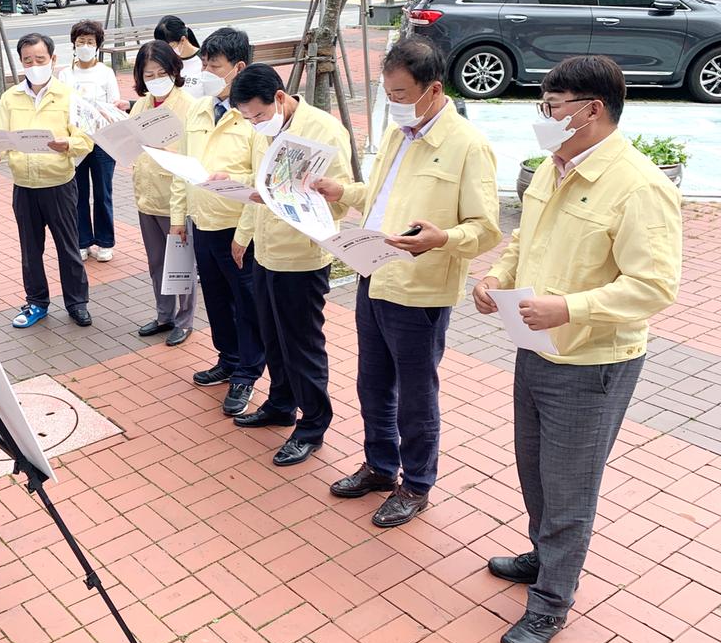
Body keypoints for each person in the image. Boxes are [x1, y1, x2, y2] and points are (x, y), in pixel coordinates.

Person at [472, 56, 681, 643]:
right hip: (535, 346)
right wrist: (497, 278)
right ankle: (544, 554)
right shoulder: (553, 168)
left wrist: (571, 308)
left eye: (553, 105)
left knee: (570, 486)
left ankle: (551, 601)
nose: (545, 115)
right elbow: (524, 238)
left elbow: (654, 286)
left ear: (591, 110)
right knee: (533, 467)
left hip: (593, 361)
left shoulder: (640, 186)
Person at [310, 37, 501, 527]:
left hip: (420, 289)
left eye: (399, 94)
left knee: (416, 393)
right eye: (386, 93)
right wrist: (343, 190)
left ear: (433, 89)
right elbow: (379, 197)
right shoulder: (401, 132)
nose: (391, 104)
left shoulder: (467, 146)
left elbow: (485, 229)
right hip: (375, 274)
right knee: (372, 382)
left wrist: (442, 239)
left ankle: (417, 484)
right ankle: (379, 466)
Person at [230, 64, 355, 466]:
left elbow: (343, 198)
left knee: (302, 345)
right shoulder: (262, 130)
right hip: (266, 250)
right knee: (272, 336)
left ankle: (313, 425)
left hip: (302, 256)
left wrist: (300, 200)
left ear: (280, 98)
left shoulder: (324, 132)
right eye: (248, 118)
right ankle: (280, 404)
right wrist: (244, 235)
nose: (254, 123)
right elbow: (258, 186)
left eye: (259, 115)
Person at [172, 27, 264, 417]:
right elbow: (183, 166)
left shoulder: (255, 118)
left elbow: (262, 184)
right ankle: (227, 358)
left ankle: (247, 371)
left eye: (215, 65)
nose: (206, 71)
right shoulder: (199, 107)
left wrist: (243, 236)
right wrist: (179, 217)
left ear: (238, 67)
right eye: (205, 63)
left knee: (247, 304)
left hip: (237, 230)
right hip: (202, 222)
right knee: (216, 299)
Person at [0, 33, 92, 329]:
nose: (34, 65)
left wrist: (67, 144)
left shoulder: (69, 96)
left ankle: (77, 302)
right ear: (21, 62)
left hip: (59, 184)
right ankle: (36, 302)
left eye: (40, 59)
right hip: (24, 186)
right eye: (28, 60)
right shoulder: (10, 97)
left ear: (53, 60)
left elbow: (85, 139)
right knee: (30, 250)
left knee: (68, 246)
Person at [129, 40, 196, 347]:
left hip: (176, 198)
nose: (155, 79)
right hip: (147, 195)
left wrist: (163, 148)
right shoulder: (142, 105)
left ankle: (184, 320)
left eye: (161, 72)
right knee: (156, 261)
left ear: (174, 70)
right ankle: (163, 314)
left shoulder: (189, 106)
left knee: (180, 264)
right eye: (148, 74)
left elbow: (192, 156)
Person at [58, 19, 126, 263]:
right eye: (81, 42)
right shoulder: (65, 75)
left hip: (103, 142)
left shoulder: (106, 73)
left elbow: (115, 105)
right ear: (73, 45)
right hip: (76, 143)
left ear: (97, 45)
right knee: (78, 193)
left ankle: (105, 242)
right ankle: (83, 241)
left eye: (90, 42)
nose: (85, 46)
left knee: (103, 192)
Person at [154, 15, 203, 98]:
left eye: (171, 46)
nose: (166, 51)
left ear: (183, 40)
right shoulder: (165, 62)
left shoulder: (205, 60)